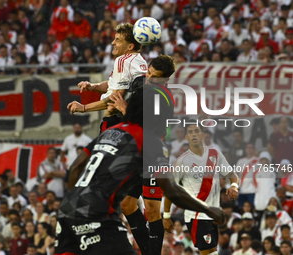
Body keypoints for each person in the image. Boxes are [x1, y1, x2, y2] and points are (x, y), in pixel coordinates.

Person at [55, 85, 225, 255]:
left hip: (66, 212)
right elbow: (172, 191)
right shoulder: (149, 140)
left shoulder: (111, 132)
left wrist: (76, 202)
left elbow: (76, 167)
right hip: (99, 215)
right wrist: (209, 210)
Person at [109, 55, 178, 255]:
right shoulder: (146, 88)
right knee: (127, 204)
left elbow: (144, 128)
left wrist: (124, 109)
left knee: (152, 209)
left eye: (154, 76)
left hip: (153, 155)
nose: (148, 78)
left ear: (165, 80)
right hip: (138, 155)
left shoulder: (162, 98)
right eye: (148, 72)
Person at [165, 121, 239, 255]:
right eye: (190, 132)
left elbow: (232, 174)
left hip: (214, 213)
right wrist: (166, 216)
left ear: (203, 135)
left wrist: (234, 185)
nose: (194, 134)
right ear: (186, 137)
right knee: (210, 253)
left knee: (212, 252)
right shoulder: (181, 161)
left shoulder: (214, 153)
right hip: (196, 215)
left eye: (197, 131)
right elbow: (171, 189)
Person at [67, 23, 147, 134]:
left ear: (130, 46)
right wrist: (94, 86)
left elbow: (115, 97)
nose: (113, 43)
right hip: (129, 120)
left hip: (113, 121)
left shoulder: (122, 61)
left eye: (118, 40)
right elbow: (116, 84)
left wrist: (84, 108)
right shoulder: (140, 61)